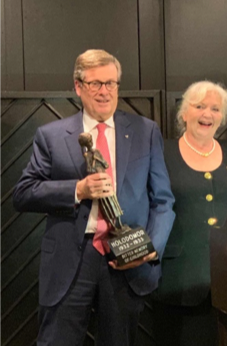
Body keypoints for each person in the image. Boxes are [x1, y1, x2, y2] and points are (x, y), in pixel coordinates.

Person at [13, 49, 175, 346]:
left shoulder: (145, 131)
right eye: (95, 84)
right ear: (78, 86)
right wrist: (78, 190)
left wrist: (152, 250)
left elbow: (163, 201)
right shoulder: (51, 135)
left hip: (126, 260)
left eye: (111, 83)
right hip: (69, 263)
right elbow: (23, 193)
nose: (105, 92)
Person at [153, 81, 227, 345]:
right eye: (199, 106)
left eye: (215, 109)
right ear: (184, 113)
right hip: (178, 280)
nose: (207, 114)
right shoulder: (162, 152)